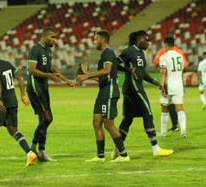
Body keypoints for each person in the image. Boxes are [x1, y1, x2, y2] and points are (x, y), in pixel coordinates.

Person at [111, 30, 174, 158]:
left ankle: (116, 151)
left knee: (127, 120)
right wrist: (128, 70)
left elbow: (142, 72)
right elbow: (115, 64)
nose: (148, 43)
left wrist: (156, 83)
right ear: (139, 39)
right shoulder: (129, 51)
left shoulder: (140, 54)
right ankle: (156, 149)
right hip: (135, 88)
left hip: (130, 89)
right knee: (148, 116)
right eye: (146, 40)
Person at [75, 30, 130, 162]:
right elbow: (103, 78)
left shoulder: (108, 52)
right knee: (96, 121)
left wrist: (87, 75)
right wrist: (88, 73)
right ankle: (100, 156)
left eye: (96, 39)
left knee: (108, 124)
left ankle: (123, 155)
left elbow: (107, 70)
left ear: (103, 41)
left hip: (109, 91)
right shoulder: (104, 55)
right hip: (103, 91)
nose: (94, 41)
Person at [0, 45, 37, 167]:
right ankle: (30, 153)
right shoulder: (6, 63)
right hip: (12, 101)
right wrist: (23, 95)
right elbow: (20, 78)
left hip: (2, 101)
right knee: (13, 130)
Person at [27, 27, 75, 161]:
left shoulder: (48, 50)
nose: (55, 40)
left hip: (42, 86)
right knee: (48, 118)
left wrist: (66, 80)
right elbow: (32, 70)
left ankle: (41, 153)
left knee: (43, 120)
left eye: (55, 37)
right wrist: (50, 76)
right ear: (44, 37)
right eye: (52, 37)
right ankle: (32, 146)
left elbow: (50, 68)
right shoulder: (35, 49)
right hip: (35, 87)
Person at [153, 35, 188, 132]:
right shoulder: (180, 55)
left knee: (164, 109)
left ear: (165, 45)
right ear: (174, 44)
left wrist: (162, 86)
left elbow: (162, 72)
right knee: (179, 108)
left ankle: (163, 132)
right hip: (178, 85)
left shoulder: (163, 55)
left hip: (168, 86)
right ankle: (183, 130)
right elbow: (183, 69)